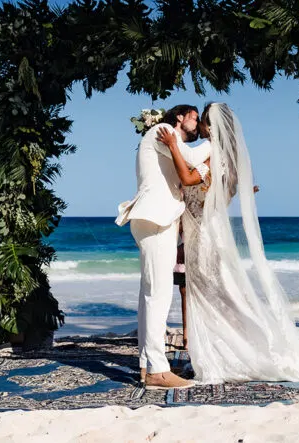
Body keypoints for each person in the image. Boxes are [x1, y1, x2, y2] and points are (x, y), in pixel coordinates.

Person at [156, 102, 299, 383]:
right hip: (204, 228)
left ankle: (226, 353)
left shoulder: (211, 151)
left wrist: (171, 145)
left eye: (202, 122)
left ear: (209, 126)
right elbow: (222, 195)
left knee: (213, 293)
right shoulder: (224, 156)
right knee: (212, 292)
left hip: (206, 231)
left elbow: (189, 178)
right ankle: (214, 352)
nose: (200, 128)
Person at [116, 104, 210, 389]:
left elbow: (187, 166)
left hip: (155, 219)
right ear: (180, 117)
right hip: (156, 219)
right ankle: (158, 369)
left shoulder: (171, 141)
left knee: (149, 294)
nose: (198, 123)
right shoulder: (164, 130)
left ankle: (147, 363)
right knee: (158, 296)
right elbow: (192, 158)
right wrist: (215, 143)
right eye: (195, 117)